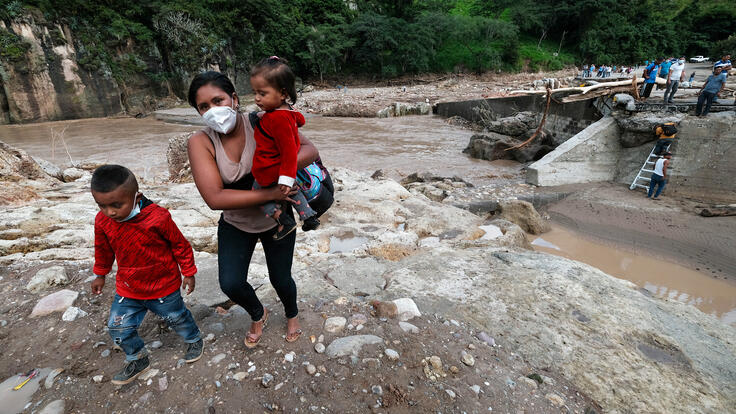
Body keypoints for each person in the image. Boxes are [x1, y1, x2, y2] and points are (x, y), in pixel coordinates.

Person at [187, 71, 318, 348]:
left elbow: (309, 151)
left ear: (234, 99)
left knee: (281, 278)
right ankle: (259, 314)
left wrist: (280, 172)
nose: (213, 110)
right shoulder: (200, 142)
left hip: (278, 220)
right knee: (231, 283)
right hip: (236, 222)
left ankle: (292, 315)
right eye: (204, 107)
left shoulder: (263, 121)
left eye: (218, 100)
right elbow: (215, 198)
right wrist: (270, 192)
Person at [90, 165, 203, 385]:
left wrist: (188, 272)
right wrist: (100, 274)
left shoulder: (158, 218)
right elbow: (102, 249)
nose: (110, 212)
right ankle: (137, 358)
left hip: (163, 284)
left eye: (116, 205)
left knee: (176, 317)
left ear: (136, 196)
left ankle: (193, 338)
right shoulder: (102, 221)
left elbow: (180, 245)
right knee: (117, 327)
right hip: (128, 287)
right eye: (101, 205)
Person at [248, 56, 319, 239]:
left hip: (270, 166)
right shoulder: (287, 112)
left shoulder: (277, 119)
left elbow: (288, 151)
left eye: (262, 94)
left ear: (282, 93)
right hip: (282, 168)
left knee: (258, 193)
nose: (256, 98)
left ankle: (282, 220)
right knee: (293, 188)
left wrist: (284, 179)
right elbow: (299, 121)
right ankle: (308, 216)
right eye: (255, 92)